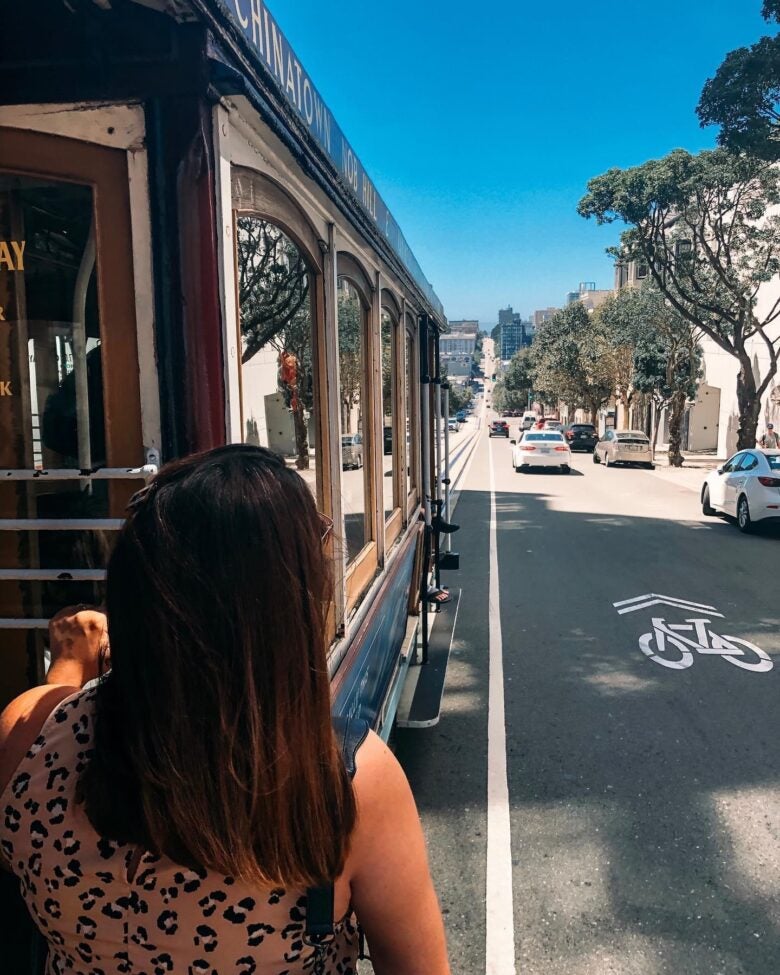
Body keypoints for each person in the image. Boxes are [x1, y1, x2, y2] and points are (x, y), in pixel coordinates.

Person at [0, 445, 450, 975]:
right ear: (285, 607)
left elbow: (54, 714)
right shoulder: (346, 778)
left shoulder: (25, 733)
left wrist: (71, 660)